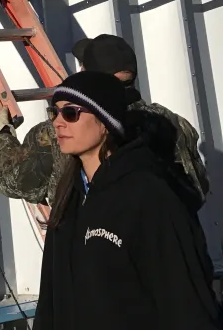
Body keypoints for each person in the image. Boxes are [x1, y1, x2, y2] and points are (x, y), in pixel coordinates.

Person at [34, 71, 221, 329]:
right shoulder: (69, 198)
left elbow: (185, 301)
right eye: (53, 112)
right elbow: (50, 302)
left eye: (70, 113)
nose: (57, 123)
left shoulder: (148, 195)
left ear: (104, 122)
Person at [0, 33, 209, 208]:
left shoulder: (64, 130)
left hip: (94, 254)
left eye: (83, 66)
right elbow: (197, 187)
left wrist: (2, 135)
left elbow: (12, 180)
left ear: (88, 75)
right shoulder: (171, 122)